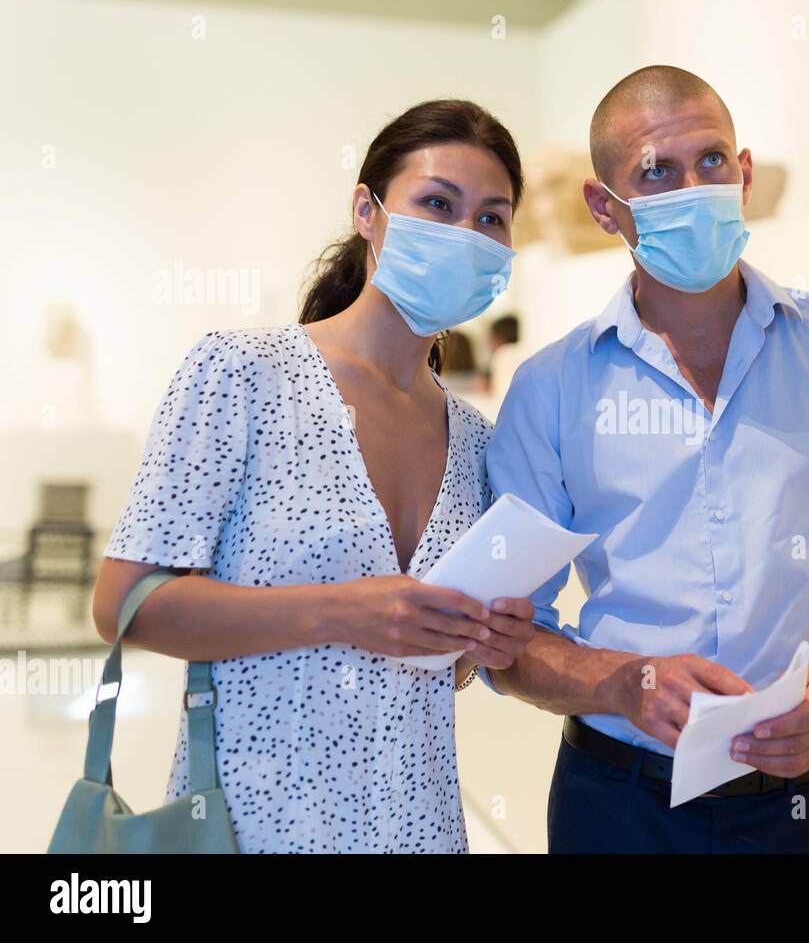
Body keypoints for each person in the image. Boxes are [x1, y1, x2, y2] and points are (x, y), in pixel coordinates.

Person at [485, 67, 809, 853]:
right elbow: (508, 642)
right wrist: (623, 684)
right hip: (618, 806)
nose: (693, 187)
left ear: (744, 175)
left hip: (805, 804)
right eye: (656, 173)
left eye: (711, 161)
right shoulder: (550, 391)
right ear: (605, 208)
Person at [91, 99, 537, 853]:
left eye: (491, 218)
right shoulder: (242, 373)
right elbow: (124, 606)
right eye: (437, 204)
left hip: (419, 827)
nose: (466, 236)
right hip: (256, 825)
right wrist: (340, 612)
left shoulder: (476, 442)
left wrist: (479, 643)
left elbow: (441, 667)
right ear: (368, 210)